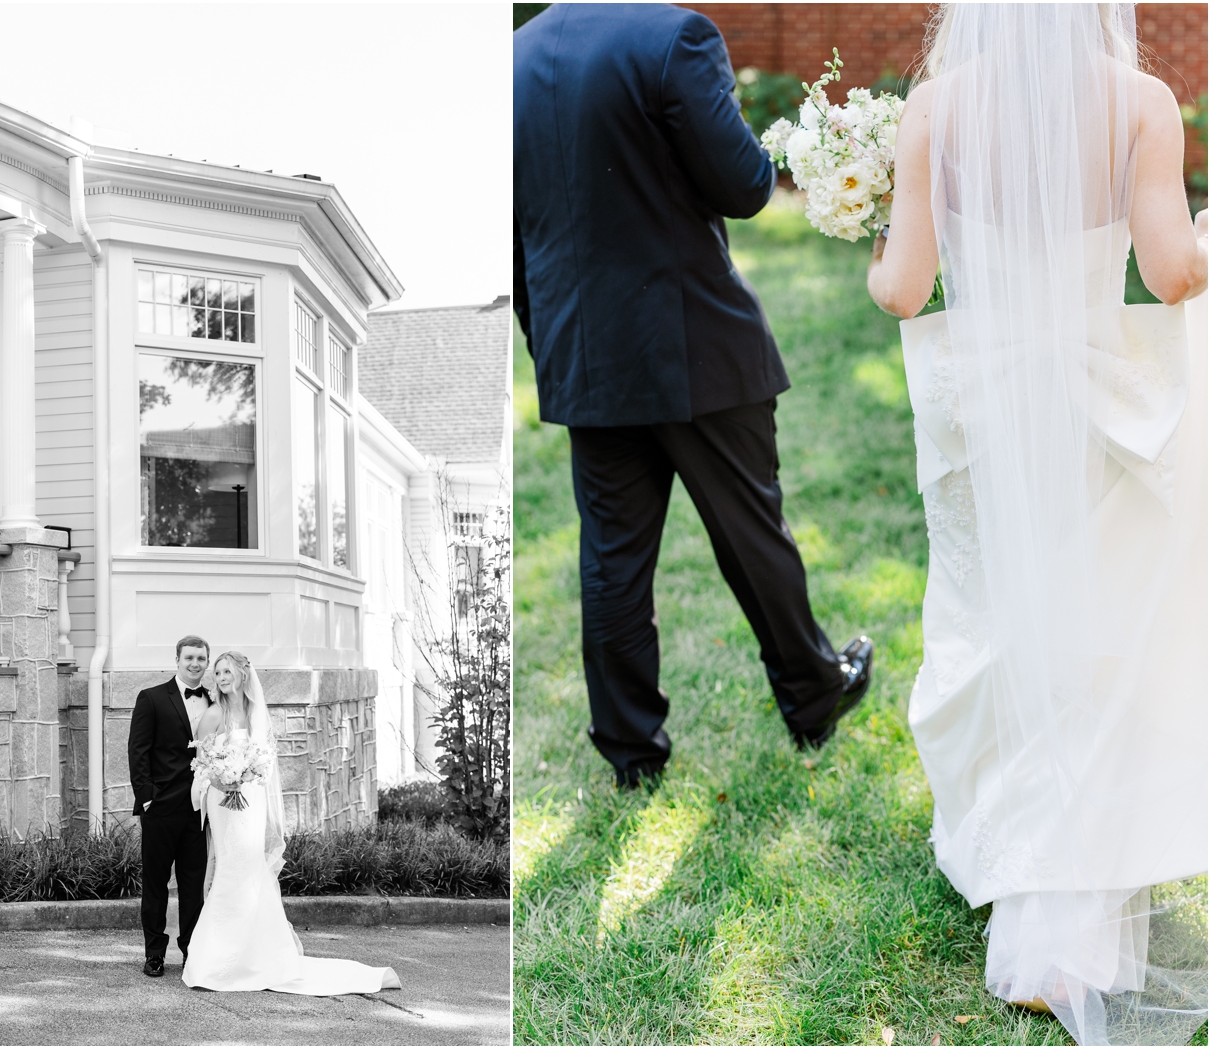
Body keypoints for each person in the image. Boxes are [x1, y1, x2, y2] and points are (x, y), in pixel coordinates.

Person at [867, 4, 1208, 1044]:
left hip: (987, 414)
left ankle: (1029, 883)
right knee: (1097, 636)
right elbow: (1169, 274)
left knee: (999, 626)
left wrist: (867, 235)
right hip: (1100, 403)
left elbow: (904, 287)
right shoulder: (1142, 104)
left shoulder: (933, 109)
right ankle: (1081, 905)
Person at [513, 3, 874, 787]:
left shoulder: (512, 58)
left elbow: (514, 235)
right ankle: (813, 695)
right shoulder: (675, 37)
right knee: (752, 530)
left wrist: (551, 344)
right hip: (697, 347)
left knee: (612, 561)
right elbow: (745, 185)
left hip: (587, 358)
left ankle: (631, 752)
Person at [182, 651, 400, 994]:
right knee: (228, 870)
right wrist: (222, 780)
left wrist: (248, 772)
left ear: (241, 674)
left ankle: (255, 955)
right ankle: (216, 962)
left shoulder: (256, 715)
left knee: (251, 871)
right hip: (223, 804)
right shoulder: (212, 716)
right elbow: (199, 768)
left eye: (227, 671)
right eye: (218, 672)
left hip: (250, 802)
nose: (221, 677)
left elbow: (266, 764)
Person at [127, 635, 213, 978]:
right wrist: (147, 797)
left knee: (194, 886)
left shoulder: (213, 700)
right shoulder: (151, 698)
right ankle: (154, 954)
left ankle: (191, 952)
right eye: (189, 657)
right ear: (177, 659)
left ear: (207, 662)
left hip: (199, 811)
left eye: (201, 659)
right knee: (156, 883)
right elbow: (138, 752)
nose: (195, 664)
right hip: (160, 808)